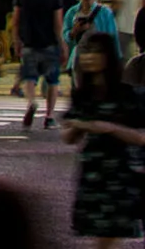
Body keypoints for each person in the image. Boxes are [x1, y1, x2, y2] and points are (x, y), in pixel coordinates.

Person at [57, 32, 145, 246]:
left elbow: (141, 138)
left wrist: (108, 128)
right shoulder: (82, 94)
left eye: (95, 52)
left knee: (109, 234)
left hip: (119, 172)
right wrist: (79, 126)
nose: (89, 57)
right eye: (86, 52)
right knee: (103, 234)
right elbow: (68, 137)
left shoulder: (125, 94)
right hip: (93, 170)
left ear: (108, 55)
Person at [10, 0, 65, 129]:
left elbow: (16, 21)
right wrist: (62, 44)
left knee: (29, 78)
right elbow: (58, 24)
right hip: (49, 43)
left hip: (28, 42)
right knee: (52, 81)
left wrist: (16, 41)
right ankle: (49, 116)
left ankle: (32, 102)